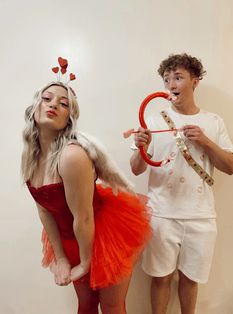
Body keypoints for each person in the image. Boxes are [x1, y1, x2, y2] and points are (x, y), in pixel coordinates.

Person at [22, 69, 151, 313]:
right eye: (47, 98)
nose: (53, 105)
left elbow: (83, 218)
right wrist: (60, 257)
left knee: (111, 307)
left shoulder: (72, 156)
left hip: (102, 232)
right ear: (34, 107)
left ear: (68, 119)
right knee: (87, 304)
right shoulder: (31, 157)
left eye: (63, 104)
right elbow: (44, 209)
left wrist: (86, 262)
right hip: (71, 236)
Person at [130, 53, 233, 314]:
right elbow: (136, 168)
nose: (172, 84)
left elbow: (231, 166)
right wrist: (140, 147)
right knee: (160, 278)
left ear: (195, 82)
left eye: (178, 77)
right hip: (162, 214)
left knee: (190, 281)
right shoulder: (153, 121)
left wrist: (206, 142)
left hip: (201, 216)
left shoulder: (213, 122)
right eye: (167, 79)